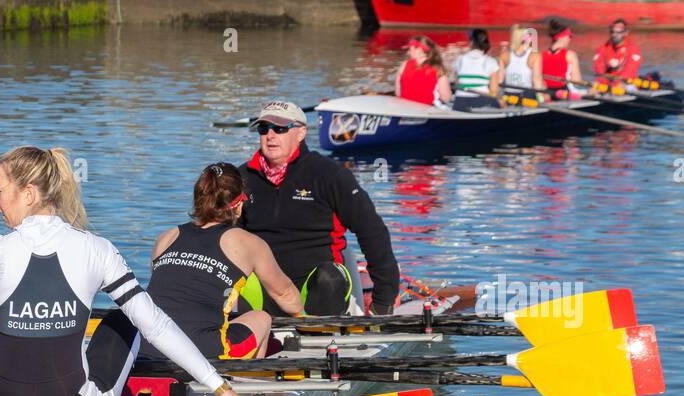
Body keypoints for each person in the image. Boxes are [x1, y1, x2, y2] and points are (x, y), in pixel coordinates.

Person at [0, 146, 260, 396]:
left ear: (28, 194)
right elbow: (157, 326)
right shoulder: (97, 248)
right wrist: (223, 389)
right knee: (125, 319)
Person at [237, 100, 400, 316]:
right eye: (263, 128)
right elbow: (220, 238)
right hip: (267, 288)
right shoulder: (241, 178)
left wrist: (383, 299)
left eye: (280, 128)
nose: (270, 135)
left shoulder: (328, 174)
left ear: (301, 132)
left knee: (328, 277)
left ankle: (324, 331)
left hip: (317, 290)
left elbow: (372, 231)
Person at [139, 163, 304, 361]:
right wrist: (302, 318)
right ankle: (250, 384)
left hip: (146, 345)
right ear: (239, 204)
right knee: (262, 317)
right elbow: (284, 294)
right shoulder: (248, 242)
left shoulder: (166, 237)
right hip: (204, 352)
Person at [452, 28, 502, 110]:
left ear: (471, 42)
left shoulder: (460, 59)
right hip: (482, 100)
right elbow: (493, 90)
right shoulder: (490, 61)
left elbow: (457, 84)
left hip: (460, 101)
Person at [396, 36, 452, 107]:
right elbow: (446, 98)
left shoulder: (404, 64)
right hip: (426, 113)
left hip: (404, 110)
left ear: (420, 50)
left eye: (410, 49)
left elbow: (398, 93)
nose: (408, 52)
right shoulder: (438, 68)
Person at [500, 25, 544, 99]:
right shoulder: (535, 56)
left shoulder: (504, 55)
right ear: (523, 38)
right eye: (529, 35)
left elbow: (500, 80)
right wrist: (541, 99)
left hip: (508, 95)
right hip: (527, 95)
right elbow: (537, 79)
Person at [542, 18, 583, 98]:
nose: (570, 39)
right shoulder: (570, 55)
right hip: (563, 94)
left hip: (545, 94)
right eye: (569, 36)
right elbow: (577, 81)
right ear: (562, 37)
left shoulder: (540, 55)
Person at [593, 18, 643, 82]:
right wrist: (601, 81)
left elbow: (631, 67)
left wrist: (621, 81)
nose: (614, 35)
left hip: (626, 83)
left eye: (618, 32)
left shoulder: (633, 49)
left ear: (625, 33)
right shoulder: (601, 49)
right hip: (606, 83)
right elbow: (598, 67)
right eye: (612, 32)